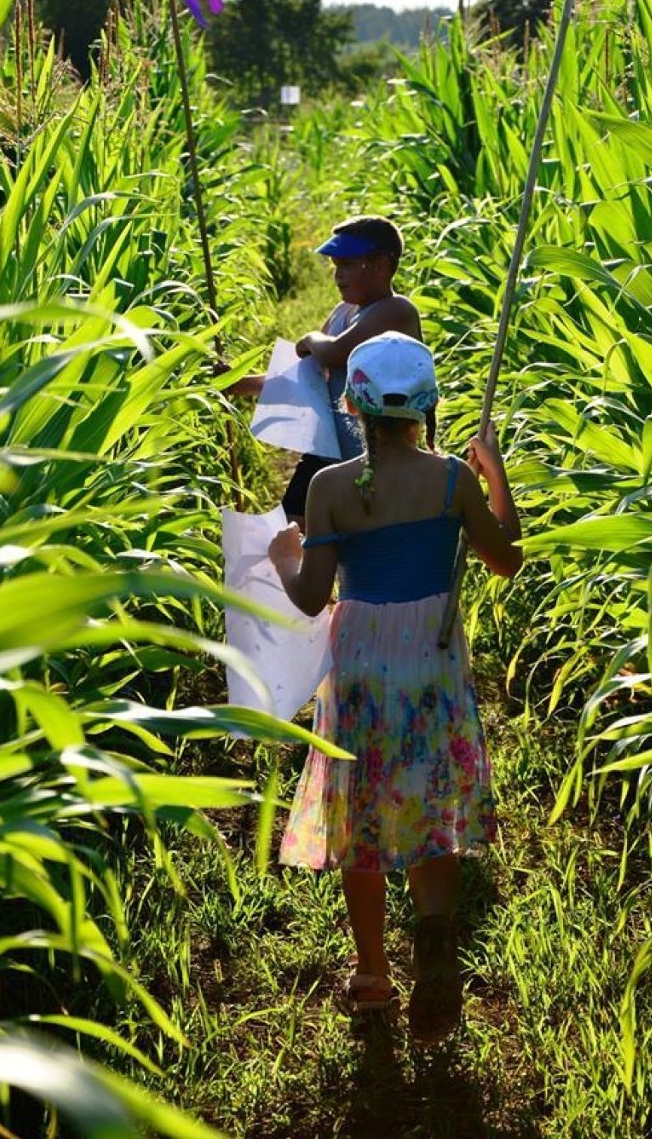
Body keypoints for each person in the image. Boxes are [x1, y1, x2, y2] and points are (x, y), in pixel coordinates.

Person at [268, 332, 522, 1044]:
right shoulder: (451, 481)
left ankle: (374, 974)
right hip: (432, 661)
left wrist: (285, 556)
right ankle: (435, 937)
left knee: (364, 818)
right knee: (431, 798)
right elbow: (506, 557)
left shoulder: (329, 488)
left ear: (351, 403)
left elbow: (313, 597)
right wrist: (494, 474)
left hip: (361, 665)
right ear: (429, 405)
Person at [228, 214, 430, 524]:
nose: (338, 276)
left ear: (378, 264)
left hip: (380, 456)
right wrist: (236, 383)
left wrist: (311, 339)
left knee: (359, 539)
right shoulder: (343, 313)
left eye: (347, 265)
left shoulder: (396, 310)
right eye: (336, 266)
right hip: (330, 451)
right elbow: (305, 376)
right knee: (290, 528)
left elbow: (334, 354)